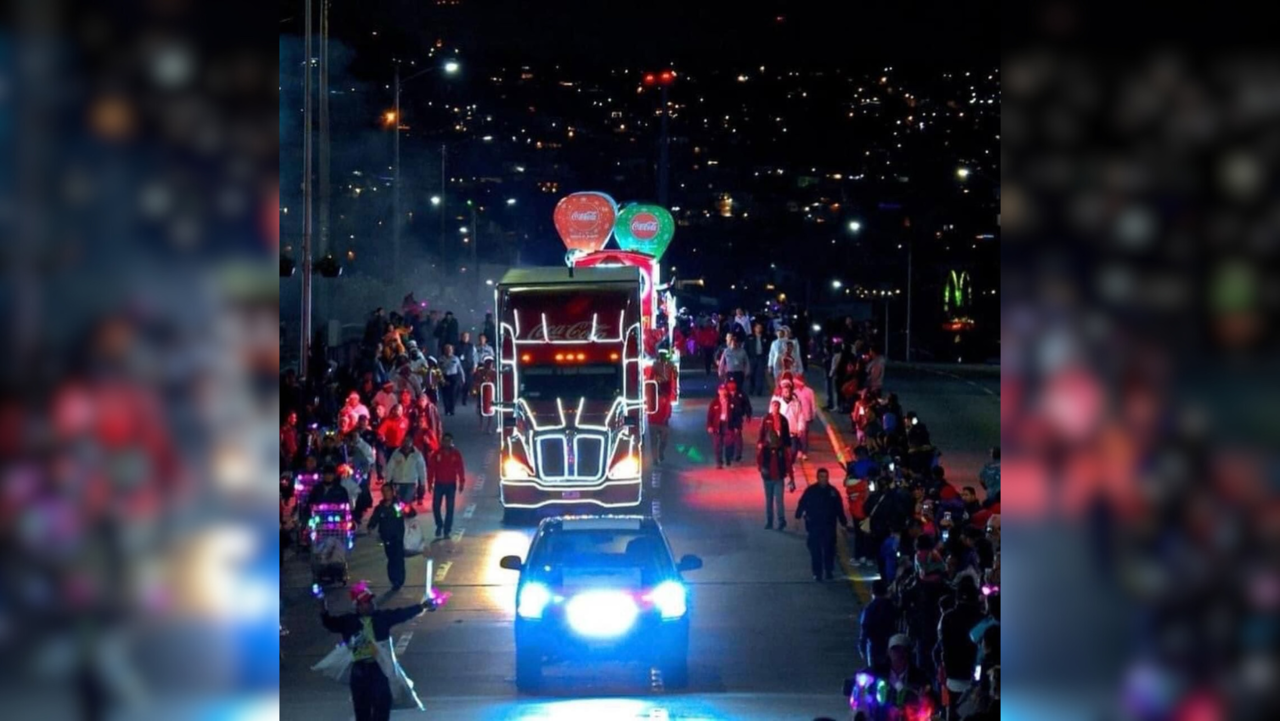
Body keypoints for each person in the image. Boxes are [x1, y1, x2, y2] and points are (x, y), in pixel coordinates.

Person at [320, 583, 437, 721]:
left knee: (382, 708)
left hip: (379, 669)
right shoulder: (348, 621)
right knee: (362, 711)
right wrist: (323, 607)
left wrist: (422, 606)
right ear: (357, 606)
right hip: (359, 672)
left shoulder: (381, 618)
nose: (370, 604)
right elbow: (330, 623)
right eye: (366, 602)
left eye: (370, 601)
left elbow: (402, 614)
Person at [937, 579, 985, 720]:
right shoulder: (982, 619)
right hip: (976, 681)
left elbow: (942, 645)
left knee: (953, 713)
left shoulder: (947, 618)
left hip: (953, 677)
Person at [795, 468, 850, 581]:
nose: (824, 479)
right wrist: (797, 517)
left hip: (829, 526)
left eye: (825, 477)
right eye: (821, 477)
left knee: (829, 549)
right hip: (814, 525)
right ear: (817, 477)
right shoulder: (811, 491)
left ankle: (829, 570)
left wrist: (843, 523)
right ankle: (817, 572)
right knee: (815, 550)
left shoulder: (833, 492)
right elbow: (802, 503)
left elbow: (839, 509)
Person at [365, 485, 416, 590]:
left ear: (392, 492)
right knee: (391, 558)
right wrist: (370, 526)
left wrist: (407, 510)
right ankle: (393, 579)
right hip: (387, 537)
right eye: (384, 491)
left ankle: (399, 580)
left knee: (399, 558)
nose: (386, 493)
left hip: (398, 537)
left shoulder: (399, 504)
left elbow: (412, 513)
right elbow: (374, 519)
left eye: (388, 491)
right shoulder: (380, 508)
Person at [757, 400, 796, 530]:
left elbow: (789, 464)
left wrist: (791, 479)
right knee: (769, 501)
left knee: (778, 500)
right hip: (768, 478)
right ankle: (769, 521)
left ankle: (781, 521)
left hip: (779, 478)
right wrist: (763, 471)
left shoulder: (782, 450)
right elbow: (759, 462)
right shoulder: (765, 449)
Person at [427, 433, 466, 538]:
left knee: (450, 508)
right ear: (442, 441)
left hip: (451, 484)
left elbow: (460, 468)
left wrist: (462, 482)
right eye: (445, 440)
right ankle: (439, 525)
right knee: (435, 506)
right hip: (439, 484)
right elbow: (431, 469)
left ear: (452, 442)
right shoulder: (436, 454)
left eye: (449, 440)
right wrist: (430, 483)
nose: (447, 443)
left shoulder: (456, 454)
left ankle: (447, 529)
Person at [860, 579, 900, 666]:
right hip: (890, 644)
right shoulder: (892, 606)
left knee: (875, 673)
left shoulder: (869, 609)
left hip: (874, 646)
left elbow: (865, 629)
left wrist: (862, 647)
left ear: (872, 592)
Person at [383, 436, 426, 508]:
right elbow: (390, 467)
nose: (406, 443)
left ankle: (403, 512)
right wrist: (387, 480)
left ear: (412, 443)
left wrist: (423, 483)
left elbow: (421, 469)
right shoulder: (396, 453)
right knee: (398, 501)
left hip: (411, 482)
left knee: (406, 500)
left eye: (408, 441)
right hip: (398, 481)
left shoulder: (417, 454)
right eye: (405, 441)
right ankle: (399, 515)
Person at [772, 378, 809, 460]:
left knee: (793, 451)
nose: (787, 393)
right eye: (785, 391)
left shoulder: (796, 403)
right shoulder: (777, 402)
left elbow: (801, 416)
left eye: (788, 391)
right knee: (781, 452)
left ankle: (789, 465)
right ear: (782, 391)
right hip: (781, 433)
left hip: (793, 433)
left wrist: (800, 428)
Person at [706, 383, 739, 469]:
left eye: (724, 390)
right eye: (721, 391)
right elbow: (710, 416)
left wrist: (736, 426)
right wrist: (709, 426)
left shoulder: (733, 402)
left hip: (728, 425)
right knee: (717, 445)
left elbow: (737, 415)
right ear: (718, 392)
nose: (723, 392)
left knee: (729, 443)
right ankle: (719, 462)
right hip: (718, 425)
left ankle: (728, 458)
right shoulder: (714, 402)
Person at [725, 378, 753, 462]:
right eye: (730, 383)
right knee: (729, 437)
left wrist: (748, 415)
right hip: (728, 419)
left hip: (737, 418)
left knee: (737, 436)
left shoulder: (741, 394)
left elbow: (747, 405)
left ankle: (738, 454)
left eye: (733, 383)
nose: (731, 385)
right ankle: (730, 454)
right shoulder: (724, 393)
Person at [471, 357, 498, 433]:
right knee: (481, 409)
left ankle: (489, 427)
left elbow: (497, 382)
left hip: (491, 392)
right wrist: (475, 390)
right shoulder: (480, 371)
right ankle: (481, 425)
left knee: (491, 409)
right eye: (488, 363)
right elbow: (475, 380)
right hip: (481, 392)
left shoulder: (494, 372)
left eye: (491, 363)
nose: (489, 365)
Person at [438, 344, 463, 416]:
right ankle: (447, 409)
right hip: (444, 376)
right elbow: (438, 369)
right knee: (445, 394)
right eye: (447, 349)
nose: (448, 351)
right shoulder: (441, 359)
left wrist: (462, 378)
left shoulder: (456, 358)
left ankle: (452, 409)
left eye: (450, 349)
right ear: (444, 350)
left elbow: (459, 368)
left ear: (452, 350)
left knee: (453, 394)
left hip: (453, 377)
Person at [745, 322, 769, 396]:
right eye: (757, 327)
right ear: (754, 328)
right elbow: (746, 348)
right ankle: (751, 389)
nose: (759, 329)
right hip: (752, 358)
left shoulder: (765, 337)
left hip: (761, 358)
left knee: (760, 375)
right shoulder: (750, 337)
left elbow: (768, 348)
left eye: (760, 327)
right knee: (752, 374)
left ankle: (759, 391)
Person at [650, 392, 672, 465]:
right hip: (657, 423)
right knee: (657, 441)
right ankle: (657, 456)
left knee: (659, 441)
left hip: (658, 423)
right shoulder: (664, 399)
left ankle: (658, 455)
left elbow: (669, 410)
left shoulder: (664, 399)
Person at [456, 331, 476, 407]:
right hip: (460, 367)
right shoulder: (457, 346)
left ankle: (464, 399)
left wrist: (475, 366)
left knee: (468, 384)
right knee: (459, 383)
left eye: (466, 336)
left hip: (469, 367)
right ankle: (456, 398)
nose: (465, 338)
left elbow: (475, 357)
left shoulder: (471, 346)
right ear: (461, 337)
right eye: (464, 336)